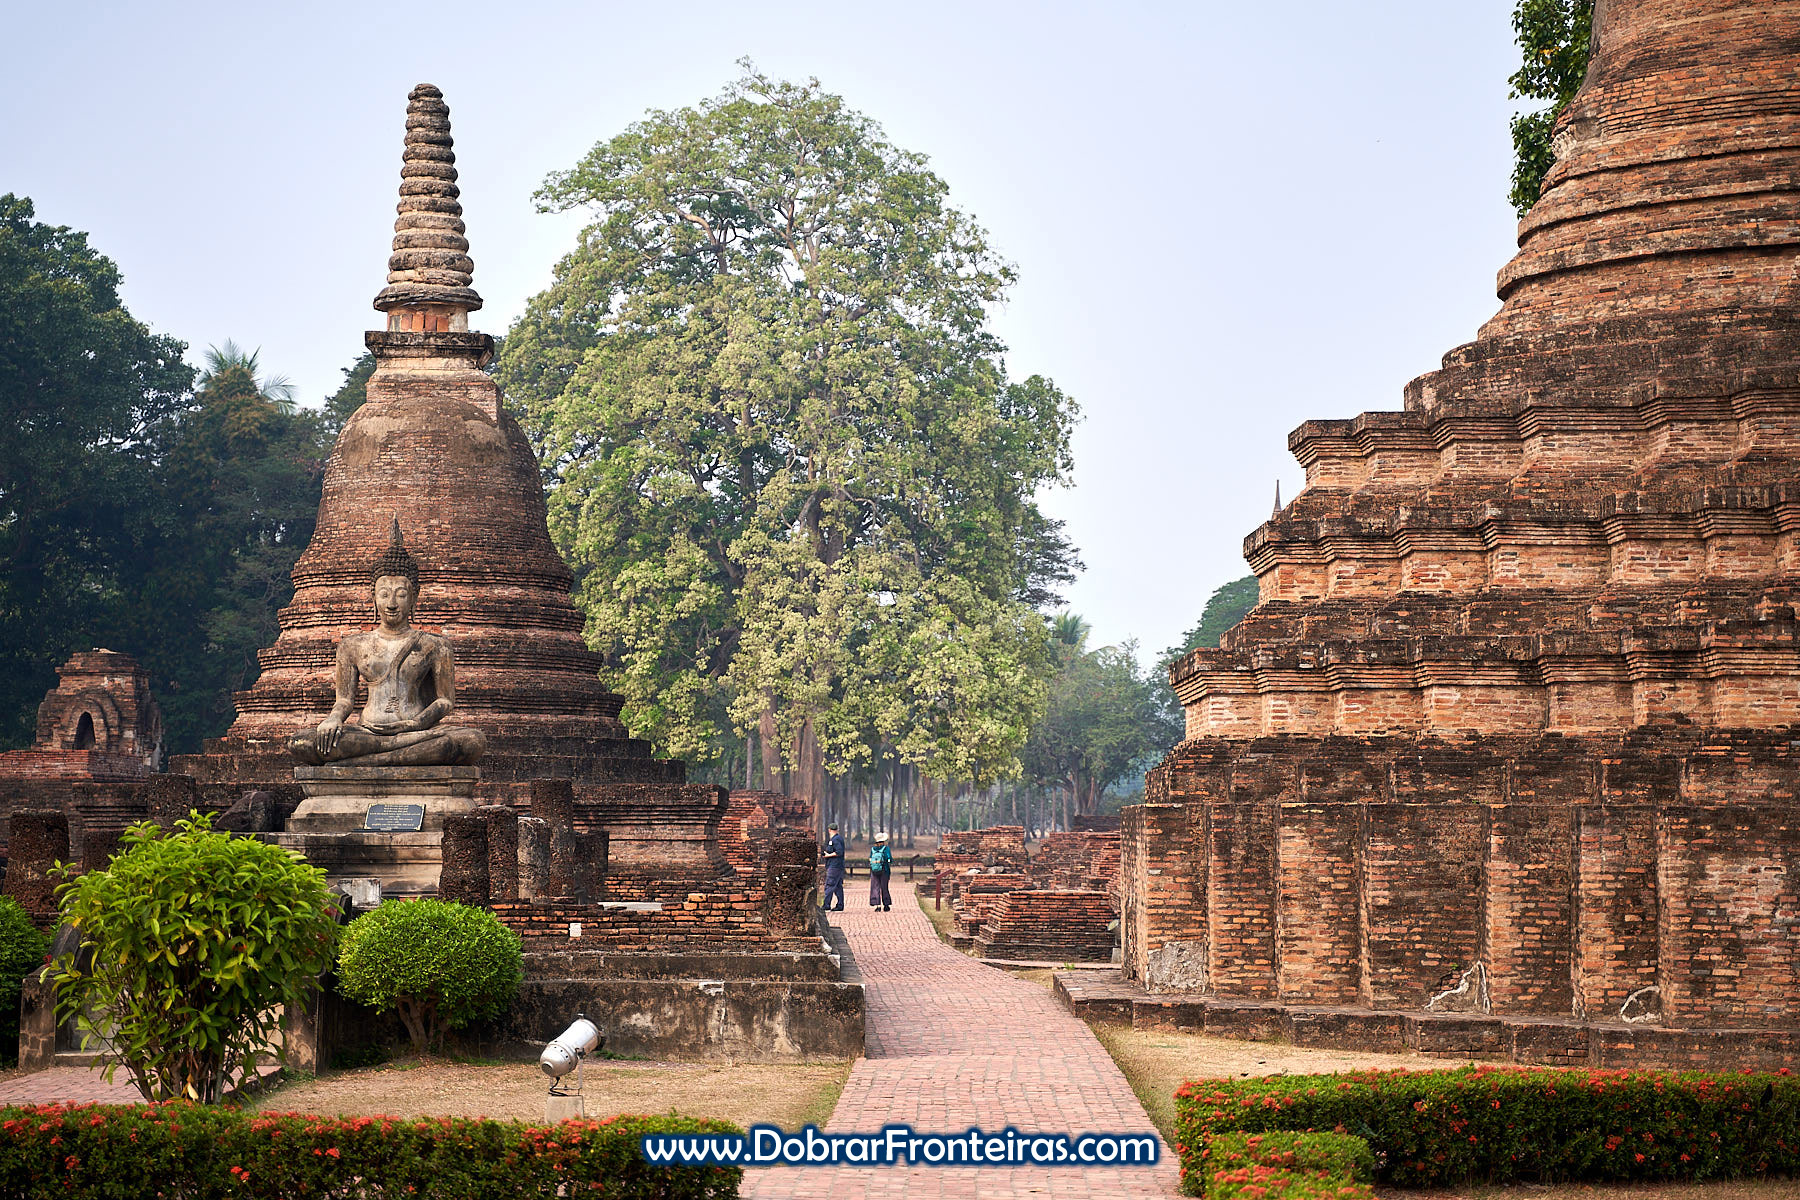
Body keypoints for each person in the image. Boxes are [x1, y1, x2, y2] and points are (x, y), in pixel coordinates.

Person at [288, 521, 485, 767]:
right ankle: (389, 755)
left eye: (401, 595)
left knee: (471, 740)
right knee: (301, 742)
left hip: (415, 732)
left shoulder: (435, 645)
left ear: (414, 598)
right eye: (384, 594)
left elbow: (445, 701)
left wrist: (415, 724)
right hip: (368, 732)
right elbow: (345, 700)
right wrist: (333, 720)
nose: (392, 603)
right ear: (373, 598)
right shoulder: (352, 646)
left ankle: (362, 762)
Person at [820, 822, 846, 912]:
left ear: (829, 830)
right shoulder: (836, 839)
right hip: (836, 866)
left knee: (829, 885)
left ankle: (826, 904)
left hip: (835, 866)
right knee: (838, 886)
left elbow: (839, 852)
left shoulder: (836, 840)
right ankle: (840, 905)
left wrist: (828, 855)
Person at [868, 832, 893, 911]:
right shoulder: (886, 848)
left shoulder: (873, 849)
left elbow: (870, 858)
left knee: (875, 887)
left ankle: (877, 905)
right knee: (884, 887)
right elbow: (889, 858)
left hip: (874, 870)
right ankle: (886, 905)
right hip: (884, 870)